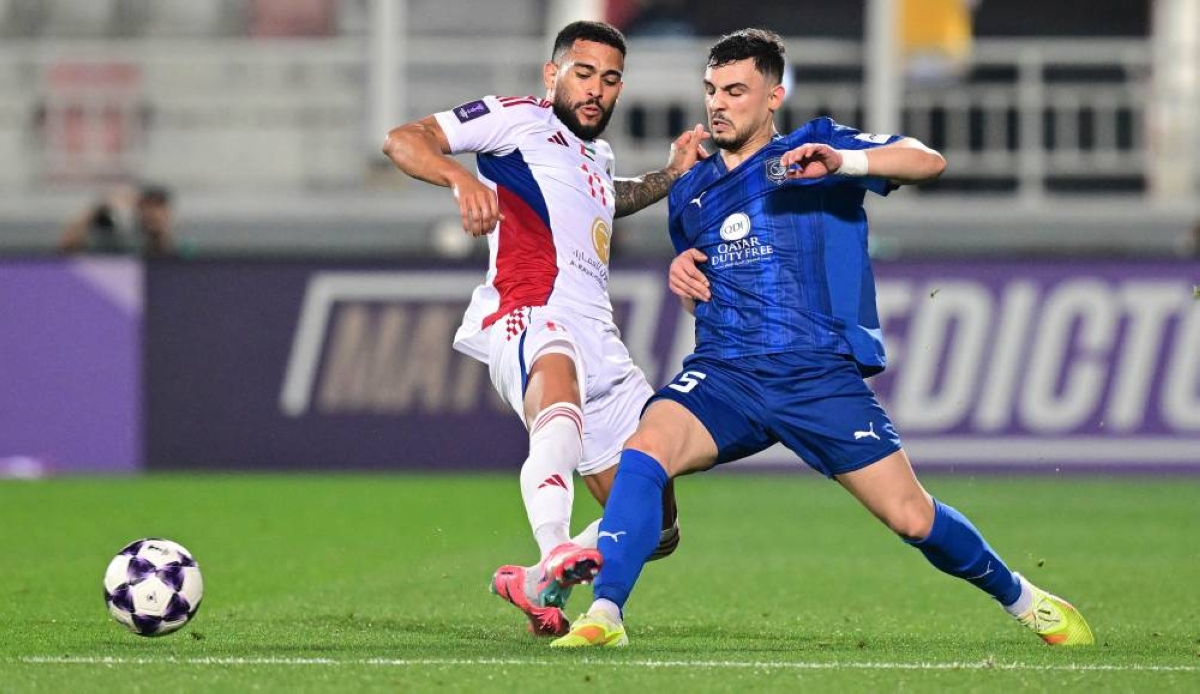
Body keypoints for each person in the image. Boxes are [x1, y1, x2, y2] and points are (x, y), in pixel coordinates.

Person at [552, 28, 1094, 648]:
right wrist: (682, 269)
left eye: (735, 91)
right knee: (645, 450)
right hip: (725, 375)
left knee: (912, 517)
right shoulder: (691, 189)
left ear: (773, 96)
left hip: (817, 377)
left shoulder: (815, 149)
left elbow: (926, 159)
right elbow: (702, 261)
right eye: (711, 91)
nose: (718, 104)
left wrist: (847, 162)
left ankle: (1026, 600)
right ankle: (606, 616)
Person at [381, 21, 706, 637]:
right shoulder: (515, 118)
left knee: (655, 522)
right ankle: (555, 545)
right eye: (583, 74)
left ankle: (535, 581)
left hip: (600, 334)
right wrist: (461, 179)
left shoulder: (595, 154)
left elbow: (605, 199)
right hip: (531, 311)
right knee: (559, 399)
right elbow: (403, 139)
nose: (596, 90)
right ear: (552, 74)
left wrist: (669, 175)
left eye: (610, 80)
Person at [59, 184, 175, 256]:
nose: (153, 213)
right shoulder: (113, 229)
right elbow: (66, 246)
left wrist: (160, 231)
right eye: (148, 206)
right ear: (138, 207)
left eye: (158, 207)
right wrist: (100, 207)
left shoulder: (169, 238)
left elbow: (166, 259)